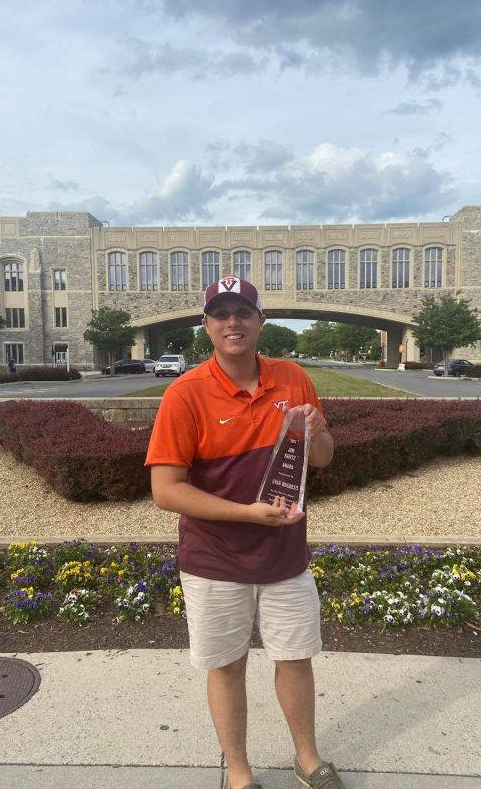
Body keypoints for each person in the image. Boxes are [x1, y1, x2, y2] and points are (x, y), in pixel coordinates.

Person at [145, 276, 342, 789]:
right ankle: (238, 771)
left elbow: (322, 461)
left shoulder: (293, 378)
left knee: (295, 660)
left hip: (285, 557)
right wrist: (247, 513)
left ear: (260, 321)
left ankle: (306, 759)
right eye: (221, 314)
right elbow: (166, 490)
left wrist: (319, 433)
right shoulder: (184, 394)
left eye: (243, 313)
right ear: (206, 325)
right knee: (227, 667)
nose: (233, 322)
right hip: (215, 559)